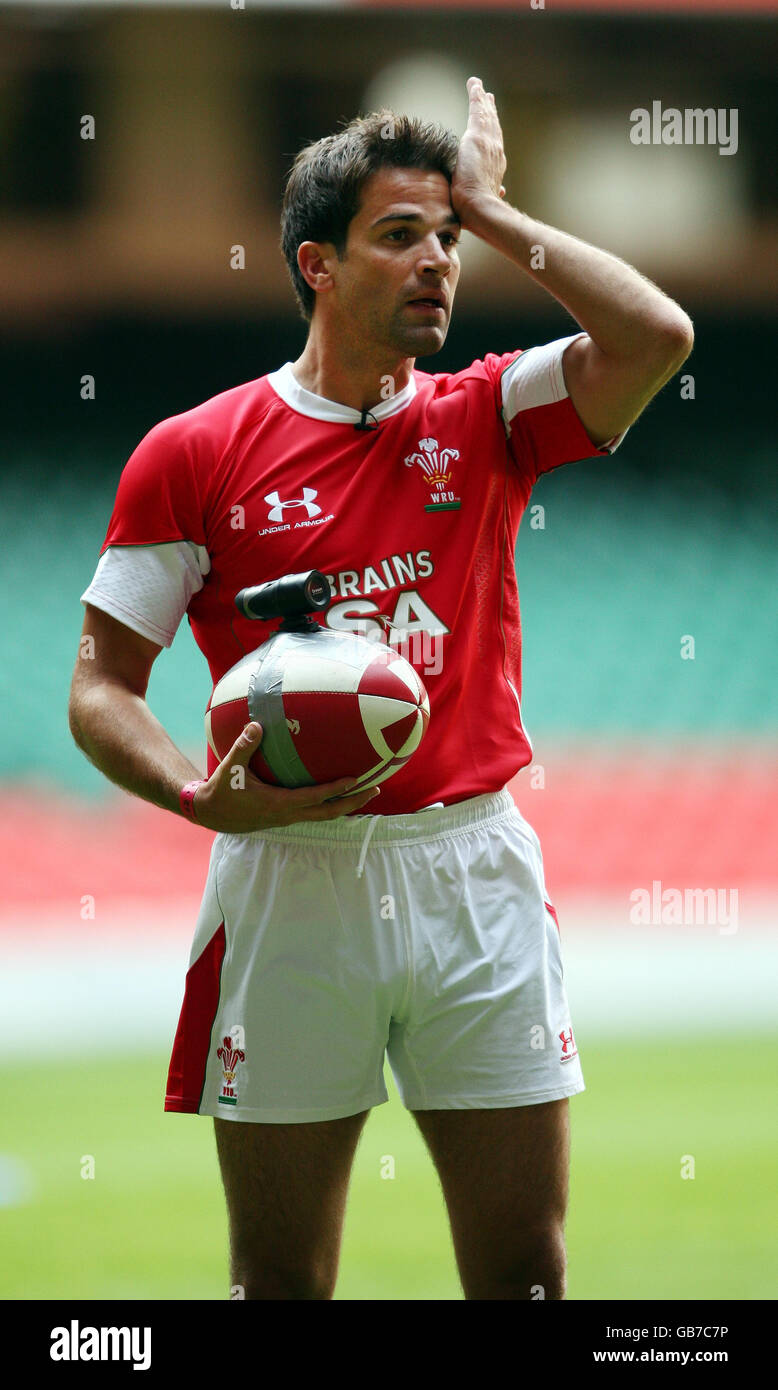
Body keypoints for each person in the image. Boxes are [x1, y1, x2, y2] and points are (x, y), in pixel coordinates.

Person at [68, 76, 693, 1301]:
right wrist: (201, 798)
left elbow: (656, 337)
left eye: (448, 241)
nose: (437, 265)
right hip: (291, 876)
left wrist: (500, 215)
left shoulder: (489, 412)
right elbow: (99, 686)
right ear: (314, 262)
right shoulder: (195, 452)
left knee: (526, 1272)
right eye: (400, 236)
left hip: (475, 870)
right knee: (280, 1281)